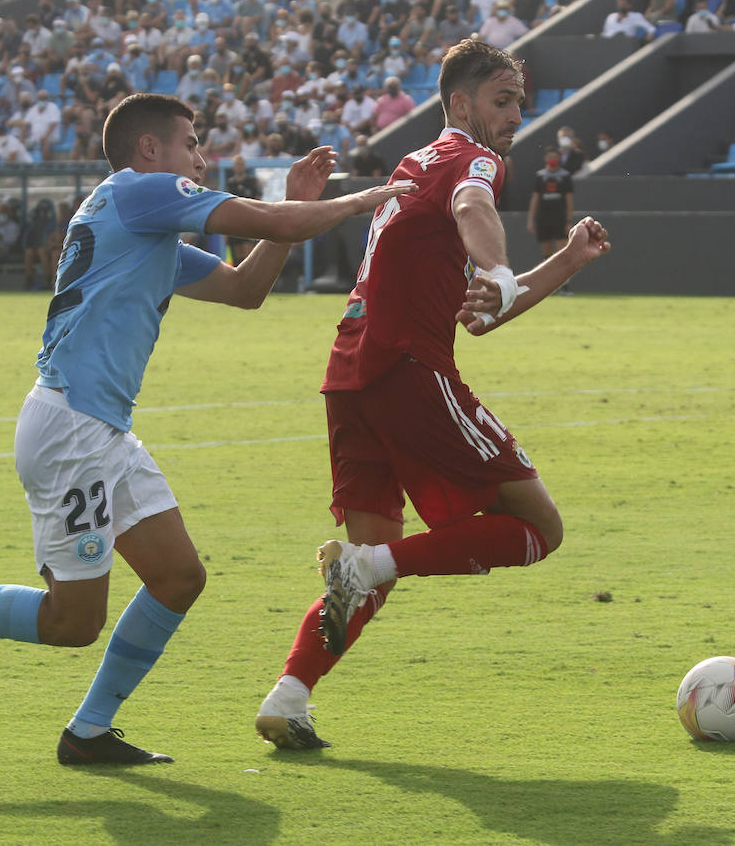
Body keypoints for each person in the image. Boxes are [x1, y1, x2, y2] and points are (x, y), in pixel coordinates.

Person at [0, 92, 414, 765]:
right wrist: (359, 200)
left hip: (99, 430)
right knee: (72, 623)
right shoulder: (145, 191)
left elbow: (245, 289)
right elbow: (275, 224)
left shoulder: (142, 224)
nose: (200, 157)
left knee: (178, 578)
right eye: (191, 143)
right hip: (72, 428)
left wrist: (291, 204)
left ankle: (88, 732)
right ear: (150, 149)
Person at [253, 39, 612, 750]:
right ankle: (364, 568)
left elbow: (482, 314)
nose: (516, 113)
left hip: (350, 377)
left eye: (519, 101)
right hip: (407, 373)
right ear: (460, 104)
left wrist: (562, 261)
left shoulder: (415, 167)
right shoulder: (470, 160)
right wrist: (501, 263)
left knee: (375, 552)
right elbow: (479, 205)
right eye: (503, 100)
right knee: (539, 527)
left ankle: (288, 695)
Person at [527, 147, 574, 292]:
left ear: (559, 159)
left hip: (559, 218)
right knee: (547, 254)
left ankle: (565, 285)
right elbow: (535, 198)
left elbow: (569, 200)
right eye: (550, 157)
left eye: (555, 157)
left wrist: (568, 220)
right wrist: (531, 219)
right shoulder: (540, 176)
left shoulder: (565, 176)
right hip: (543, 218)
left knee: (562, 253)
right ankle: (549, 286)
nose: (552, 160)